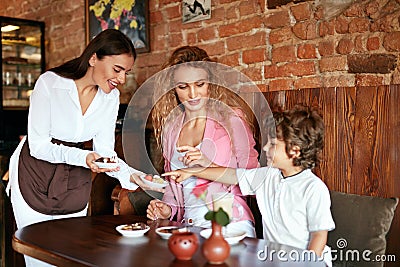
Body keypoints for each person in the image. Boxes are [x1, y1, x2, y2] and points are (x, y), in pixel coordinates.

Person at [6, 29, 161, 267]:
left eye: (126, 73)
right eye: (117, 70)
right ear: (93, 58)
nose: (121, 79)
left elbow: (106, 153)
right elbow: (38, 147)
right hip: (34, 174)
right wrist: (86, 157)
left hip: (74, 178)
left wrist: (135, 177)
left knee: (68, 254)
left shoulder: (110, 98)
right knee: (38, 257)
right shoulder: (50, 84)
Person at [164, 106, 336, 266]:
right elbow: (231, 175)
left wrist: (307, 263)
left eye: (274, 144)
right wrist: (193, 172)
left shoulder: (313, 189)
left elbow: (319, 235)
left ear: (295, 151)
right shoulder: (267, 176)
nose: (266, 147)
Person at [146, 46, 260, 237]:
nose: (193, 94)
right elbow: (173, 183)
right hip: (188, 224)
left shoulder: (232, 119)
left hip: (229, 221)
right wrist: (167, 209)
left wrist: (209, 165)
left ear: (210, 84)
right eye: (183, 86)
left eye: (200, 84)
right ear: (174, 89)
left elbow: (254, 179)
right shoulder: (171, 128)